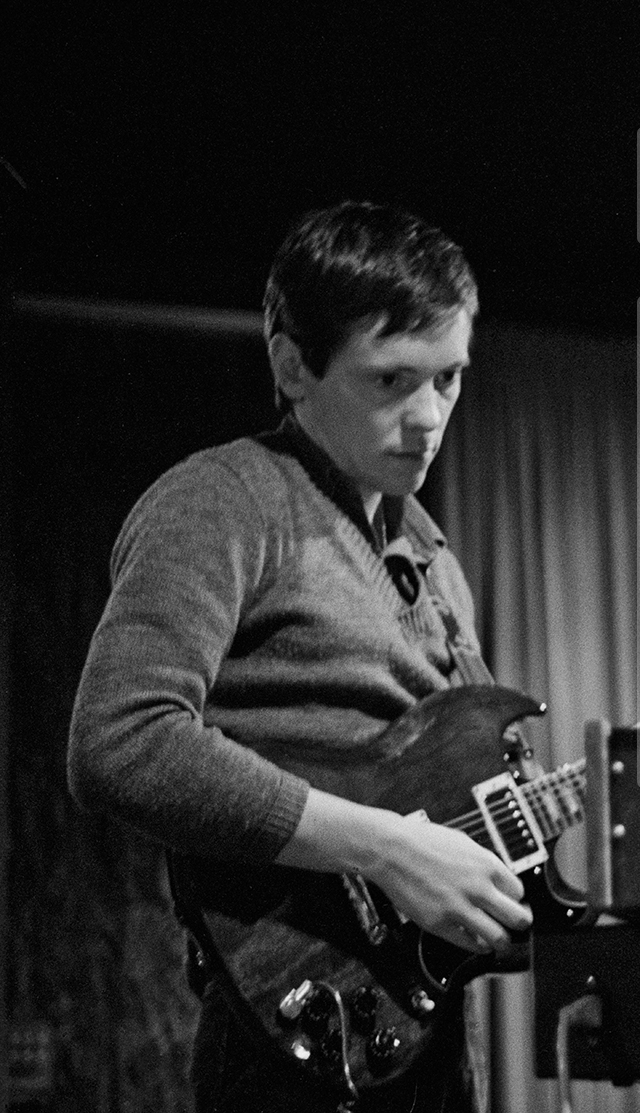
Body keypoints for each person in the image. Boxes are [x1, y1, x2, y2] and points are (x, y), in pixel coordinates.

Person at [67, 202, 530, 1112]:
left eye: (451, 378)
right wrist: (391, 850)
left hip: (421, 1035)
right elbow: (119, 741)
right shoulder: (225, 500)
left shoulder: (431, 556)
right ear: (292, 363)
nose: (430, 418)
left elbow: (469, 801)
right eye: (393, 380)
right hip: (285, 1047)